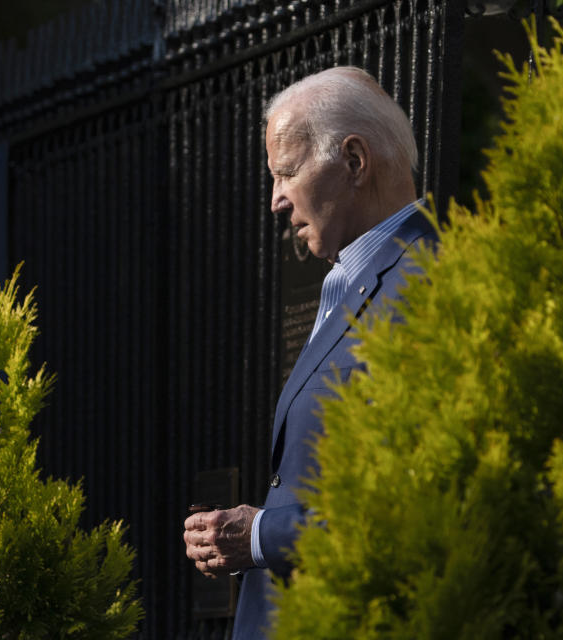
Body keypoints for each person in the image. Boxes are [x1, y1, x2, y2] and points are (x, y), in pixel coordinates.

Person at [182, 66, 436, 638]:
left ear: (353, 161)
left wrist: (259, 535)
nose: (276, 200)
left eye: (287, 172)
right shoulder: (351, 280)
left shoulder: (427, 283)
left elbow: (412, 499)